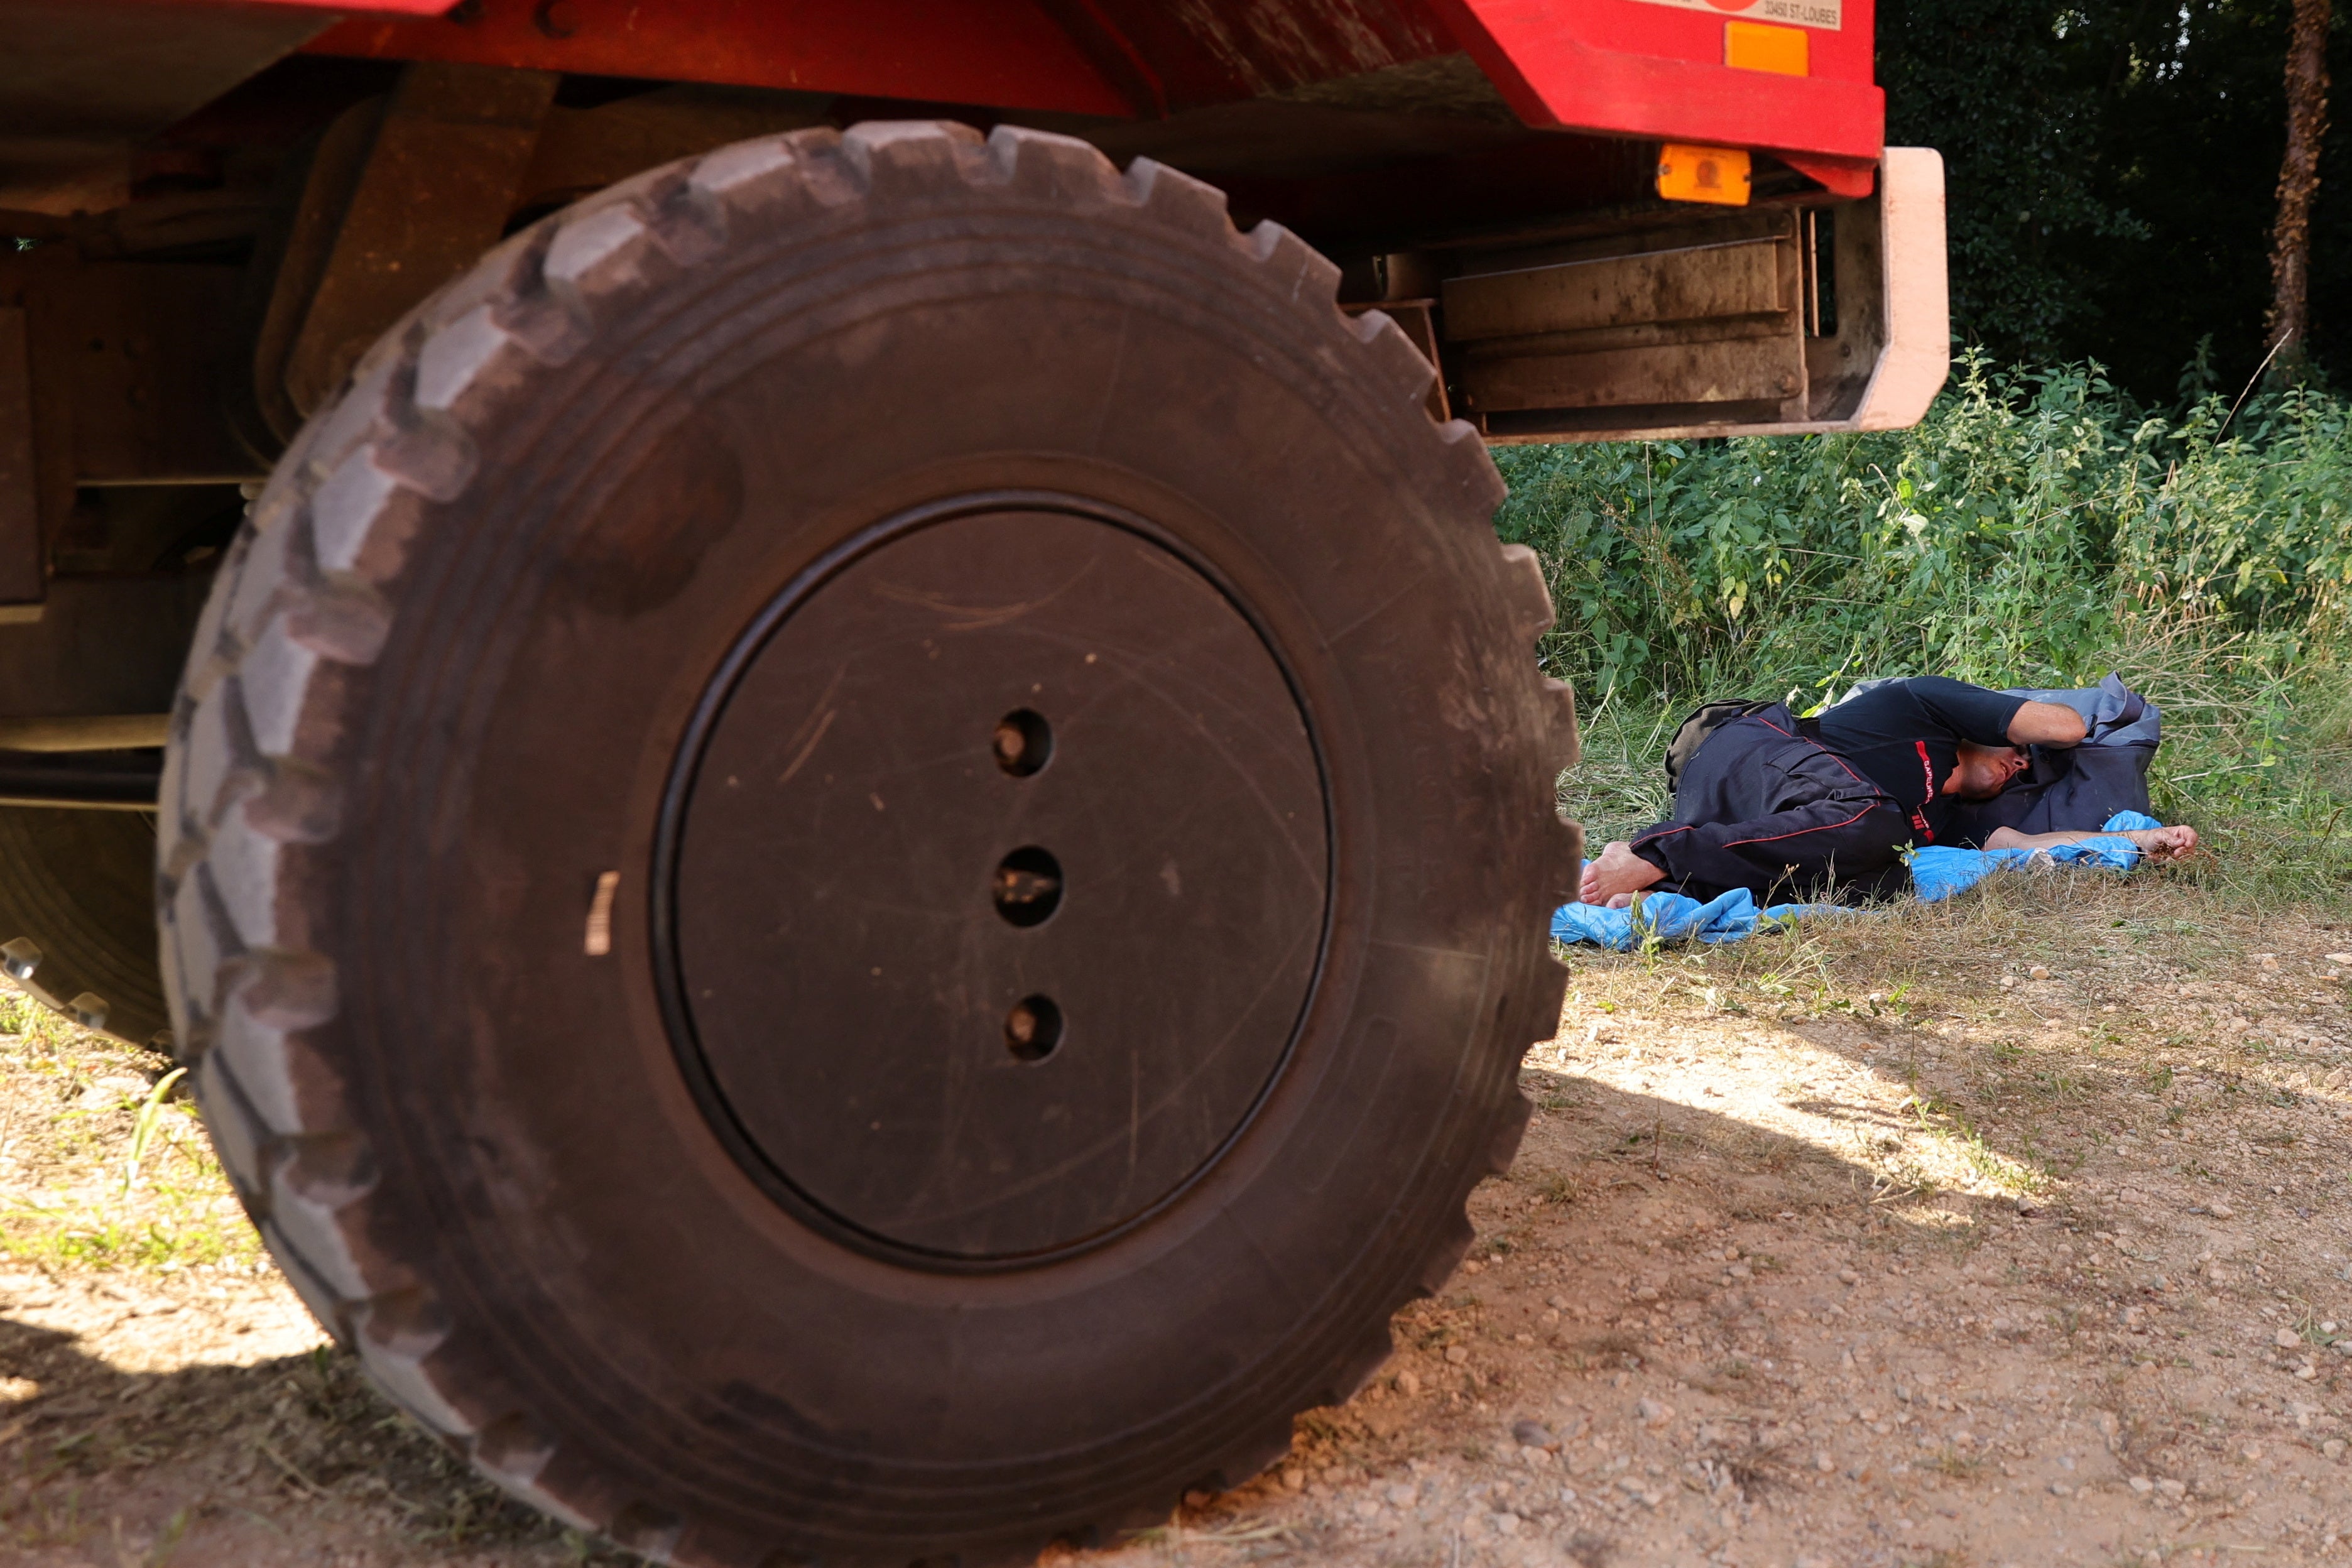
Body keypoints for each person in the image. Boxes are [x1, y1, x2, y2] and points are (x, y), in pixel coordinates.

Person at [1578, 676, 2198, 908]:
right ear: (1984, 727)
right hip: (1745, 757)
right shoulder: (1919, 706)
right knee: (1877, 826)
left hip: (1759, 823)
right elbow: (2063, 726)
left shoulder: (1949, 818)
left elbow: (2030, 845)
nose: (2021, 767)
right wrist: (2016, 717)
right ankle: (1657, 854)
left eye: (2027, 772)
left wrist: (2142, 839)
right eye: (2017, 753)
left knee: (1885, 882)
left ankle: (1664, 883)